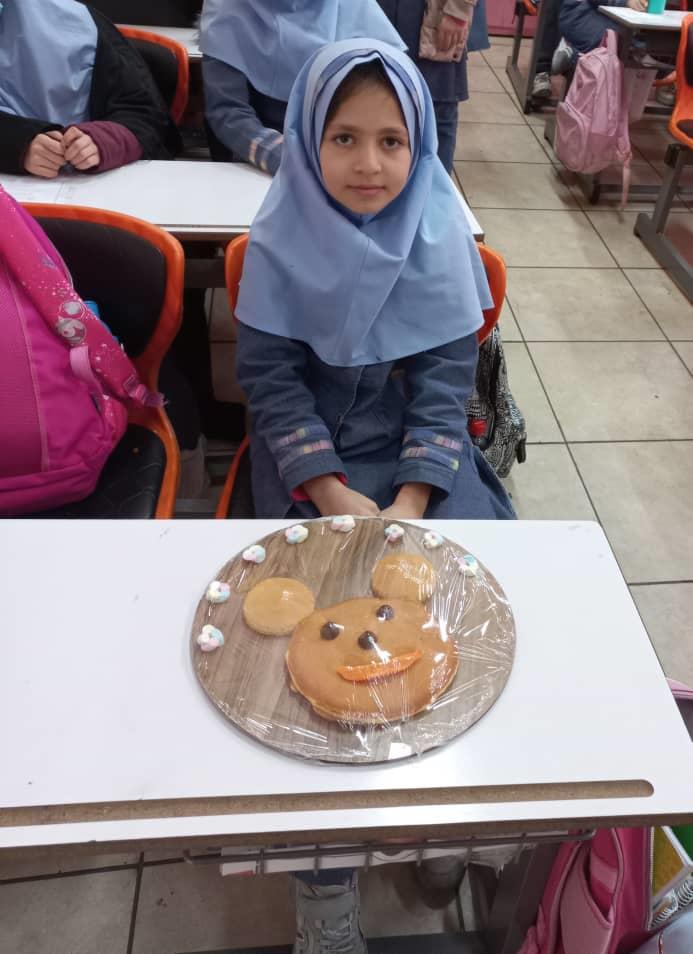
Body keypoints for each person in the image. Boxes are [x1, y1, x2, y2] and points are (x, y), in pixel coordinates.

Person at [235, 39, 515, 527]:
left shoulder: (441, 244)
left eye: (391, 141)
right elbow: (271, 382)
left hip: (415, 448)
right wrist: (325, 488)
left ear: (419, 145)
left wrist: (413, 498)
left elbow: (444, 388)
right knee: (314, 566)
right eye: (344, 138)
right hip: (307, 449)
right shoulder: (278, 240)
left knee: (453, 559)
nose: (368, 164)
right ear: (308, 140)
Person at [200, 0, 405, 173]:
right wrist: (287, 158)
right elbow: (228, 113)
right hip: (262, 168)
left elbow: (393, 103)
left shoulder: (354, 7)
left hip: (351, 159)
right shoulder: (228, 9)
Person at [0, 0, 179, 178]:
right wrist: (18, 145)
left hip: (94, 180)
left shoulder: (80, 23)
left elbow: (145, 114)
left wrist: (102, 140)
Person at [376, 0, 478, 173]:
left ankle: (434, 187)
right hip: (374, 12)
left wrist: (458, 10)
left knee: (437, 112)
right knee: (372, 101)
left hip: (432, 13)